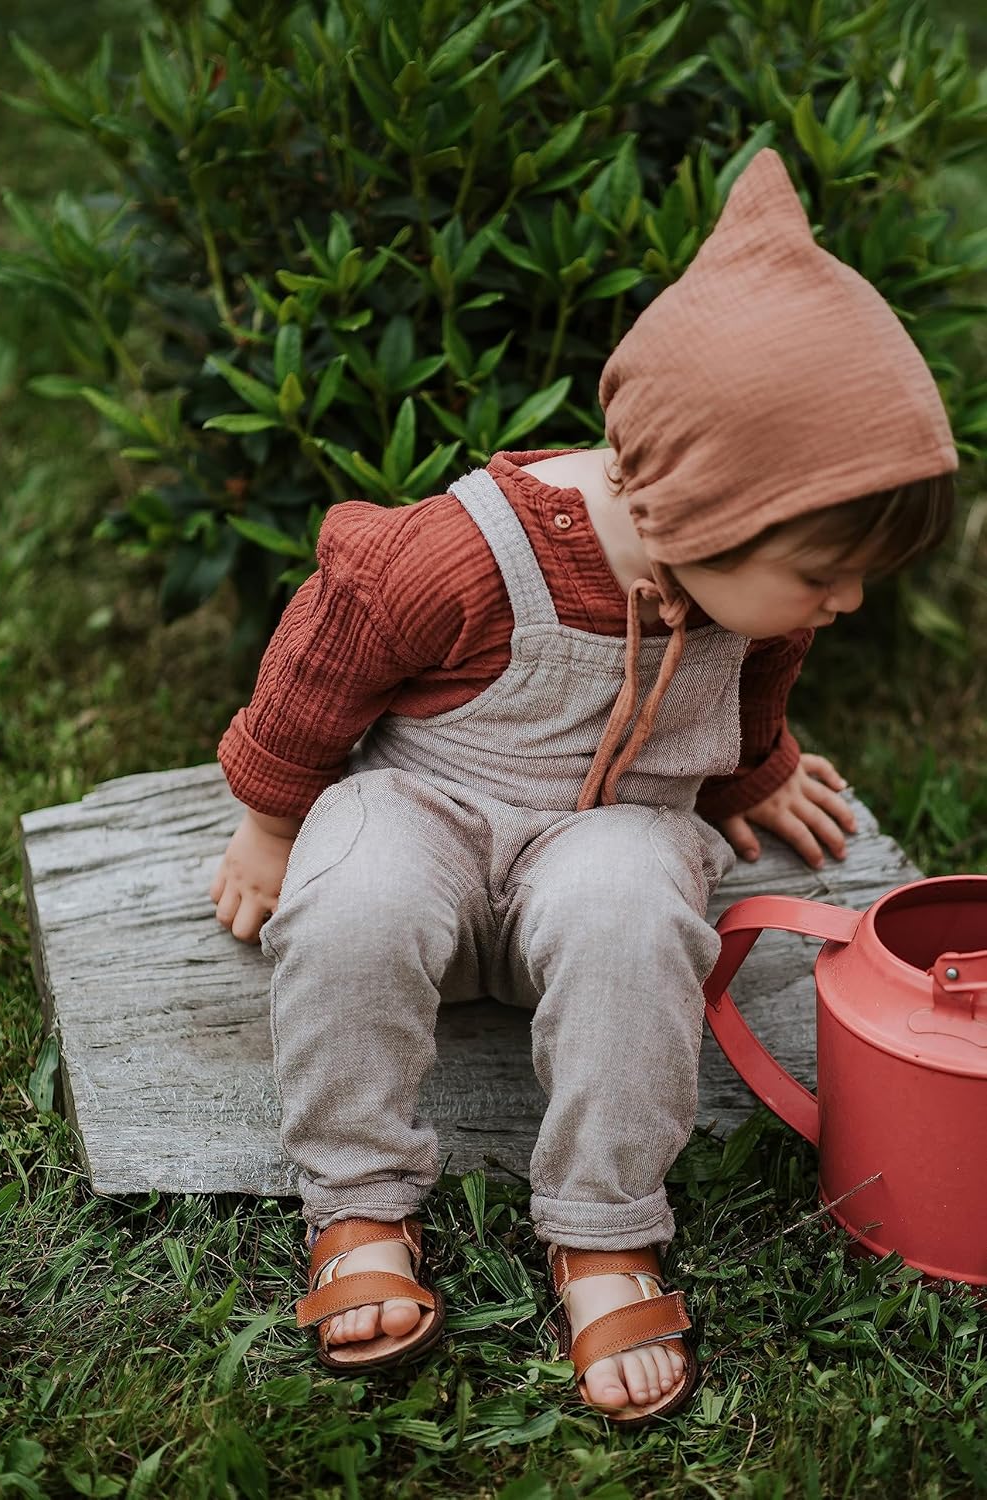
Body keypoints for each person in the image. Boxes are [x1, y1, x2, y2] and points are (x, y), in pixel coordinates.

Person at [210, 148, 957, 1422]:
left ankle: (603, 1226)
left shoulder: (752, 602)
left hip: (602, 846)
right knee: (353, 899)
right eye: (825, 571)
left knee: (630, 903)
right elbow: (318, 664)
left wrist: (755, 777)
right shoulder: (455, 558)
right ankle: (358, 1204)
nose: (845, 602)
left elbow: (745, 699)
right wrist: (271, 824)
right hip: (428, 818)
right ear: (697, 512)